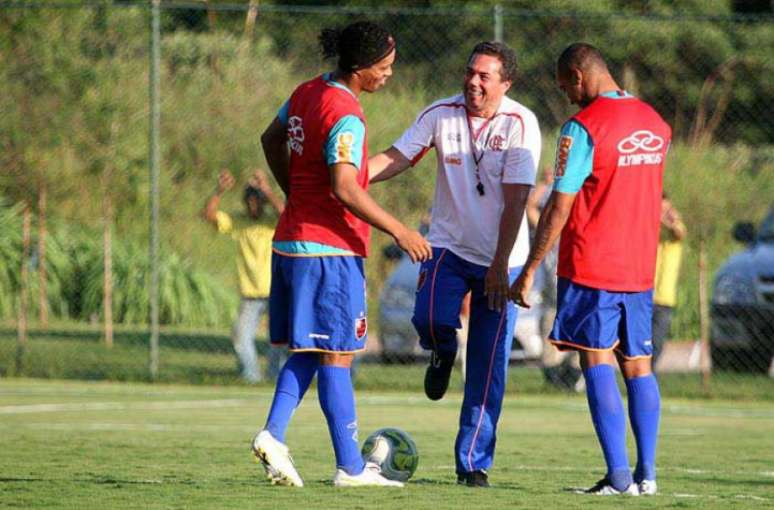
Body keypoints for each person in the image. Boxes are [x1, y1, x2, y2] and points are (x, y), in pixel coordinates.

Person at [251, 21, 431, 488]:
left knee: (312, 349)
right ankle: (350, 468)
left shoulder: (306, 92)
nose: (389, 75)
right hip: (328, 251)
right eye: (385, 68)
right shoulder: (346, 112)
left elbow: (270, 139)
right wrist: (400, 230)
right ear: (361, 68)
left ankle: (273, 435)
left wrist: (295, 189)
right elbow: (346, 186)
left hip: (291, 241)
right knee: (338, 354)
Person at [369, 41, 540, 488]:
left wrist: (501, 267)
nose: (473, 81)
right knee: (428, 318)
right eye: (470, 72)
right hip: (448, 246)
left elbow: (518, 199)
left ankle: (472, 463)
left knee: (486, 366)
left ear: (506, 83)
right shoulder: (440, 114)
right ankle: (442, 351)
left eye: (485, 76)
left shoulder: (522, 123)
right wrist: (350, 173)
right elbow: (398, 156)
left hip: (503, 257)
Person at [510, 43, 671, 496]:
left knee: (596, 358)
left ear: (579, 76)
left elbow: (559, 204)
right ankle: (648, 475)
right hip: (640, 267)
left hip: (593, 263)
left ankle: (619, 478)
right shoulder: (656, 123)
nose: (566, 96)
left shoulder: (581, 128)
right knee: (639, 364)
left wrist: (529, 270)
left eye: (565, 87)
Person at [203, 169, 285, 384]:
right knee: (240, 337)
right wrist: (218, 191)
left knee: (279, 340)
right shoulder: (238, 221)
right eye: (249, 201)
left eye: (257, 201)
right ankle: (252, 377)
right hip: (250, 293)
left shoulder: (272, 222)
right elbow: (209, 215)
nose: (253, 206)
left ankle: (275, 377)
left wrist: (266, 189)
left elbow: (285, 212)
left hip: (275, 291)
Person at [526, 168, 583, 391]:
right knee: (549, 335)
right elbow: (530, 207)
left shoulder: (578, 232)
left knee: (580, 337)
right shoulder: (551, 232)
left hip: (577, 291)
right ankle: (554, 380)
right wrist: (544, 183)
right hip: (554, 295)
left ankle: (574, 376)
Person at [652, 194, 686, 365]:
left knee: (656, 345)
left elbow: (678, 233)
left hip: (664, 299)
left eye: (666, 209)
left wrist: (664, 219)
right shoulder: (648, 228)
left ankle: (649, 381)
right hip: (643, 295)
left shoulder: (674, 229)